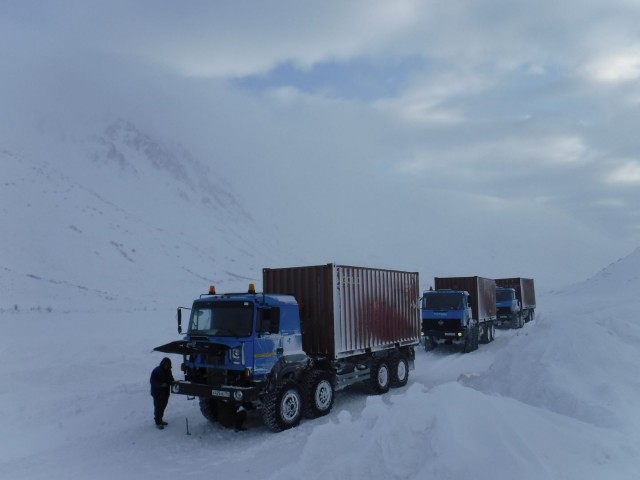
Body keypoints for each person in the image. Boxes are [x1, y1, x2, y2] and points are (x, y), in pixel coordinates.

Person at [150, 357, 174, 429]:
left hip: (165, 392)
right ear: (163, 364)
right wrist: (160, 385)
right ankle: (158, 422)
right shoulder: (157, 371)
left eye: (168, 364)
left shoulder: (169, 370)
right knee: (158, 407)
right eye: (166, 364)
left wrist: (173, 382)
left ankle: (160, 420)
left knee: (163, 406)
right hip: (157, 393)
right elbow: (152, 381)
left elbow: (170, 378)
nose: (167, 366)